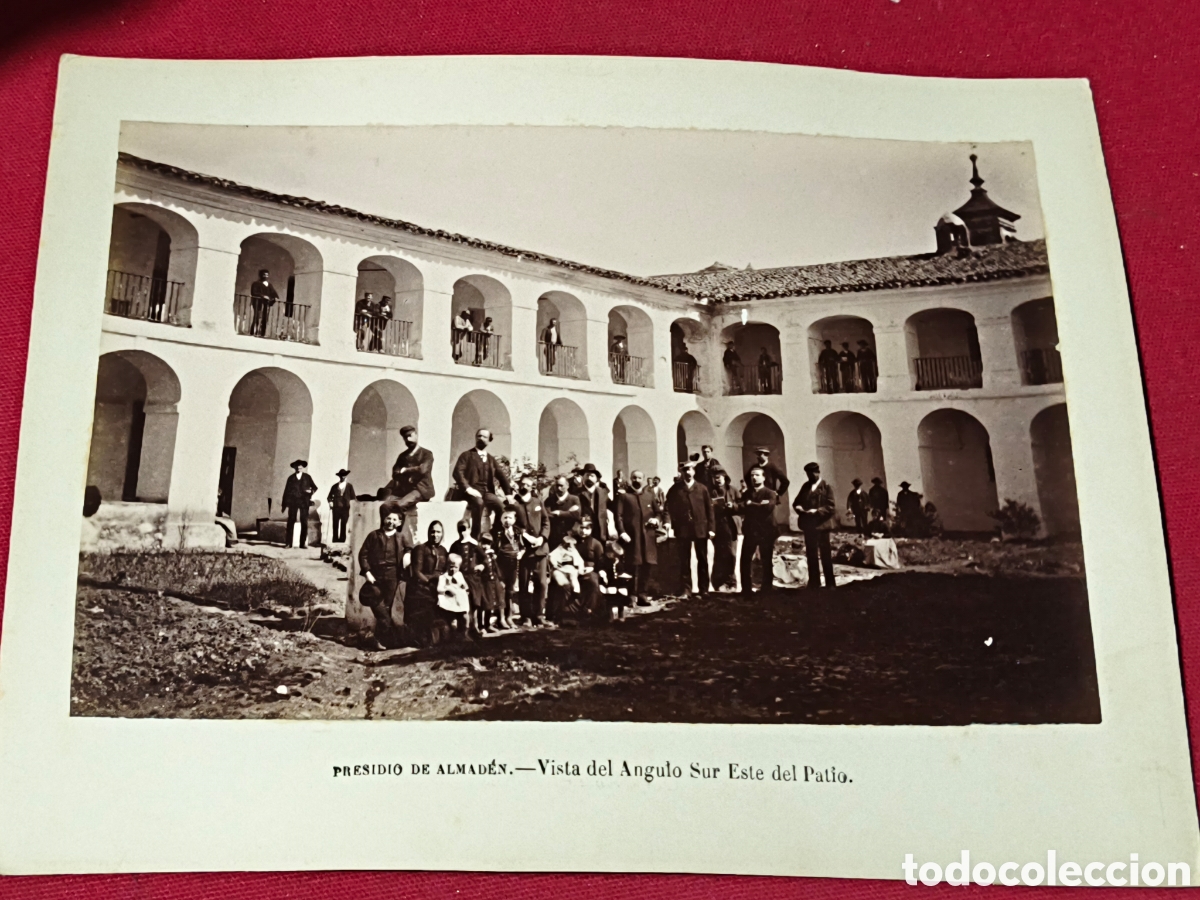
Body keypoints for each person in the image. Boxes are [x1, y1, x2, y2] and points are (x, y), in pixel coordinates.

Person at [357, 502, 413, 650]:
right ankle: (384, 638)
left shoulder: (401, 537)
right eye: (388, 518)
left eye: (395, 519)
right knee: (378, 606)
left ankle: (382, 640)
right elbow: (363, 555)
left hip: (392, 576)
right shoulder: (374, 535)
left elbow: (410, 548)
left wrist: (407, 554)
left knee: (387, 607)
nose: (391, 522)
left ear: (399, 522)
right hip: (375, 575)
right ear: (383, 519)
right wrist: (367, 572)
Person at [666, 460, 715, 597]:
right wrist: (670, 523)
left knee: (702, 559)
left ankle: (703, 589)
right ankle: (686, 589)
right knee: (684, 560)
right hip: (683, 529)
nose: (688, 472)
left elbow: (709, 509)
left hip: (700, 529)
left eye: (690, 470)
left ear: (694, 472)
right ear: (682, 472)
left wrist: (711, 528)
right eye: (685, 470)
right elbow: (669, 507)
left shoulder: (702, 488)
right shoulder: (675, 489)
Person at [614, 470, 662, 606]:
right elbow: (618, 516)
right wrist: (622, 532)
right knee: (632, 566)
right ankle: (631, 596)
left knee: (647, 566)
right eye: (634, 477)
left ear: (644, 479)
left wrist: (656, 520)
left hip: (648, 537)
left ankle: (643, 595)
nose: (637, 480)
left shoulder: (649, 495)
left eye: (640, 478)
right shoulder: (625, 497)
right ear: (630, 479)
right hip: (632, 537)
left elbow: (658, 512)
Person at [452, 428, 511, 537]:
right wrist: (468, 488)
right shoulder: (466, 455)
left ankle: (495, 532)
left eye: (484, 437)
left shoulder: (491, 459)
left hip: (487, 492)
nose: (480, 439)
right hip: (470, 492)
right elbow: (457, 473)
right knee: (479, 503)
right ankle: (475, 536)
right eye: (479, 436)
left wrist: (508, 494)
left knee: (501, 507)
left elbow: (502, 476)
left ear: (489, 441)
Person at [511, 472, 550, 627]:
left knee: (541, 583)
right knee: (524, 584)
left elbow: (546, 522)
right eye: (522, 484)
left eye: (528, 484)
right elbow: (512, 525)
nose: (524, 486)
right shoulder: (514, 504)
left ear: (532, 487)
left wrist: (542, 538)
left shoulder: (538, 502)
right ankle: (526, 616)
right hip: (525, 550)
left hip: (540, 550)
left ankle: (539, 615)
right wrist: (525, 537)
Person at [794, 462, 837, 590]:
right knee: (811, 554)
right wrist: (799, 508)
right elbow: (797, 502)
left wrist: (817, 511)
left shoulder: (826, 487)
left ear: (818, 472)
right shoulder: (805, 487)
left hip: (822, 526)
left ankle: (830, 583)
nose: (810, 476)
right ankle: (814, 582)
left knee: (825, 555)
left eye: (813, 473)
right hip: (809, 526)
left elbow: (831, 507)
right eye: (808, 474)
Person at [739, 466, 778, 595]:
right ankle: (746, 590)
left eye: (756, 475)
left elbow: (767, 508)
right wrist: (755, 505)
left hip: (766, 532)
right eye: (751, 475)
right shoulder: (746, 493)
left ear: (763, 477)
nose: (754, 478)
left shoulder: (770, 493)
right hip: (750, 531)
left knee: (766, 560)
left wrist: (750, 504)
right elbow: (741, 506)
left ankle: (766, 589)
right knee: (745, 560)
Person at [407, 521, 448, 641]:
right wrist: (429, 583)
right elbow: (417, 572)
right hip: (423, 588)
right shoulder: (421, 549)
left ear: (442, 533)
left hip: (439, 586)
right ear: (428, 533)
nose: (435, 534)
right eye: (433, 531)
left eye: (438, 532)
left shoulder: (443, 550)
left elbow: (446, 570)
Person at [384, 425, 435, 511]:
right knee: (385, 506)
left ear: (416, 435)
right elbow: (395, 473)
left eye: (410, 436)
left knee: (400, 505)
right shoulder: (402, 456)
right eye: (405, 438)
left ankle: (399, 523)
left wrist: (405, 470)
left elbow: (422, 470)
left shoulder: (427, 454)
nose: (408, 440)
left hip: (421, 489)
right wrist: (407, 479)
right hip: (405, 490)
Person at [450, 520, 486, 637]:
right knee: (463, 603)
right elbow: (450, 558)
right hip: (461, 578)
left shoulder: (474, 545)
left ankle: (474, 627)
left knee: (474, 603)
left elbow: (484, 559)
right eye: (460, 529)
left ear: (469, 529)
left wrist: (481, 566)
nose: (463, 532)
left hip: (473, 578)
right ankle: (463, 628)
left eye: (465, 528)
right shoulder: (455, 545)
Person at [709, 469, 739, 591]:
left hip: (731, 525)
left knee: (731, 553)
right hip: (717, 525)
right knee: (719, 554)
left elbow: (741, 504)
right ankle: (718, 582)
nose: (718, 479)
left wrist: (734, 506)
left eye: (720, 476)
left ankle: (731, 582)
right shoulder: (710, 491)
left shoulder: (733, 490)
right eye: (715, 477)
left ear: (725, 477)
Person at [493, 508, 523, 630]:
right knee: (501, 589)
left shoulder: (517, 532)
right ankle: (501, 618)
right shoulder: (497, 532)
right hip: (501, 564)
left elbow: (522, 547)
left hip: (513, 564)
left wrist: (521, 553)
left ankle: (509, 617)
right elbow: (493, 548)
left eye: (510, 517)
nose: (507, 520)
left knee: (510, 591)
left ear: (514, 519)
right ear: (501, 520)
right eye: (505, 517)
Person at [281, 459, 317, 548]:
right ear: (294, 467)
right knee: (291, 521)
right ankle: (288, 543)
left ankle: (302, 544)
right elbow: (286, 491)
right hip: (293, 503)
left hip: (304, 503)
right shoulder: (291, 478)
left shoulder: (307, 477)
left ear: (303, 467)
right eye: (297, 466)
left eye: (300, 466)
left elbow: (314, 487)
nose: (298, 467)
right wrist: (284, 504)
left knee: (304, 522)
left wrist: (310, 491)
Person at [436, 553, 472, 640]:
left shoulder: (459, 575)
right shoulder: (443, 577)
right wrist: (446, 591)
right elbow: (439, 589)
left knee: (465, 617)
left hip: (460, 600)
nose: (453, 569)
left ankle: (465, 634)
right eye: (451, 566)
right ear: (447, 565)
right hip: (450, 600)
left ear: (459, 567)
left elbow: (465, 585)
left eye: (456, 567)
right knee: (453, 620)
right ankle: (454, 635)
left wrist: (465, 587)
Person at [544, 474, 583, 552]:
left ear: (567, 485)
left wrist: (560, 513)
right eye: (557, 485)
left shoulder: (574, 499)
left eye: (561, 485)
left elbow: (577, 515)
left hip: (570, 536)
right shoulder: (549, 500)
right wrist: (569, 513)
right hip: (554, 537)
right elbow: (546, 516)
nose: (559, 488)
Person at [548, 528, 587, 604]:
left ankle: (576, 591)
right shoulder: (560, 549)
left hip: (571, 568)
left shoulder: (574, 551)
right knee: (562, 581)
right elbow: (551, 557)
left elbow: (580, 560)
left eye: (572, 545)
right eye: (568, 544)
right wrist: (555, 564)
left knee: (573, 577)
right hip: (561, 567)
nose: (570, 546)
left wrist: (581, 568)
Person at [576, 516, 606, 615]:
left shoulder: (596, 544)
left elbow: (601, 561)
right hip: (574, 570)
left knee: (593, 582)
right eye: (581, 528)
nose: (583, 531)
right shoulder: (572, 542)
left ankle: (589, 609)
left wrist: (593, 568)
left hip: (591, 571)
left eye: (587, 528)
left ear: (591, 529)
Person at [597, 540, 633, 622]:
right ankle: (610, 615)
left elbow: (620, 571)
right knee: (609, 599)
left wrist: (623, 575)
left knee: (622, 594)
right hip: (607, 582)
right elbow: (601, 569)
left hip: (617, 582)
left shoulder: (617, 561)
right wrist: (603, 575)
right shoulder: (603, 560)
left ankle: (621, 613)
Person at [578, 462, 611, 540]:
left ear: (597, 479)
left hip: (601, 530)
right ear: (583, 477)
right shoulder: (576, 493)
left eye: (592, 476)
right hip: (584, 530)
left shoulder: (603, 492)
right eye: (587, 475)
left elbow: (613, 506)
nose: (589, 478)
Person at [326, 468, 355, 543]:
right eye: (341, 476)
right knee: (335, 524)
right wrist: (330, 502)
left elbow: (353, 497)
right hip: (336, 508)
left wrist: (351, 506)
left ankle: (342, 540)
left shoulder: (349, 486)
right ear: (339, 476)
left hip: (345, 509)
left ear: (346, 476)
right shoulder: (334, 486)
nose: (343, 477)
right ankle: (335, 539)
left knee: (343, 524)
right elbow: (329, 497)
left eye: (344, 475)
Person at [249, 269, 279, 337]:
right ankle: (253, 332)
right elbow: (254, 292)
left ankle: (262, 333)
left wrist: (275, 297)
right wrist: (263, 296)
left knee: (265, 318)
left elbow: (274, 293)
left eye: (267, 275)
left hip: (266, 304)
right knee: (257, 317)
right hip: (258, 303)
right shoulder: (256, 283)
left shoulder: (269, 285)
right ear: (260, 275)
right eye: (264, 275)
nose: (265, 276)